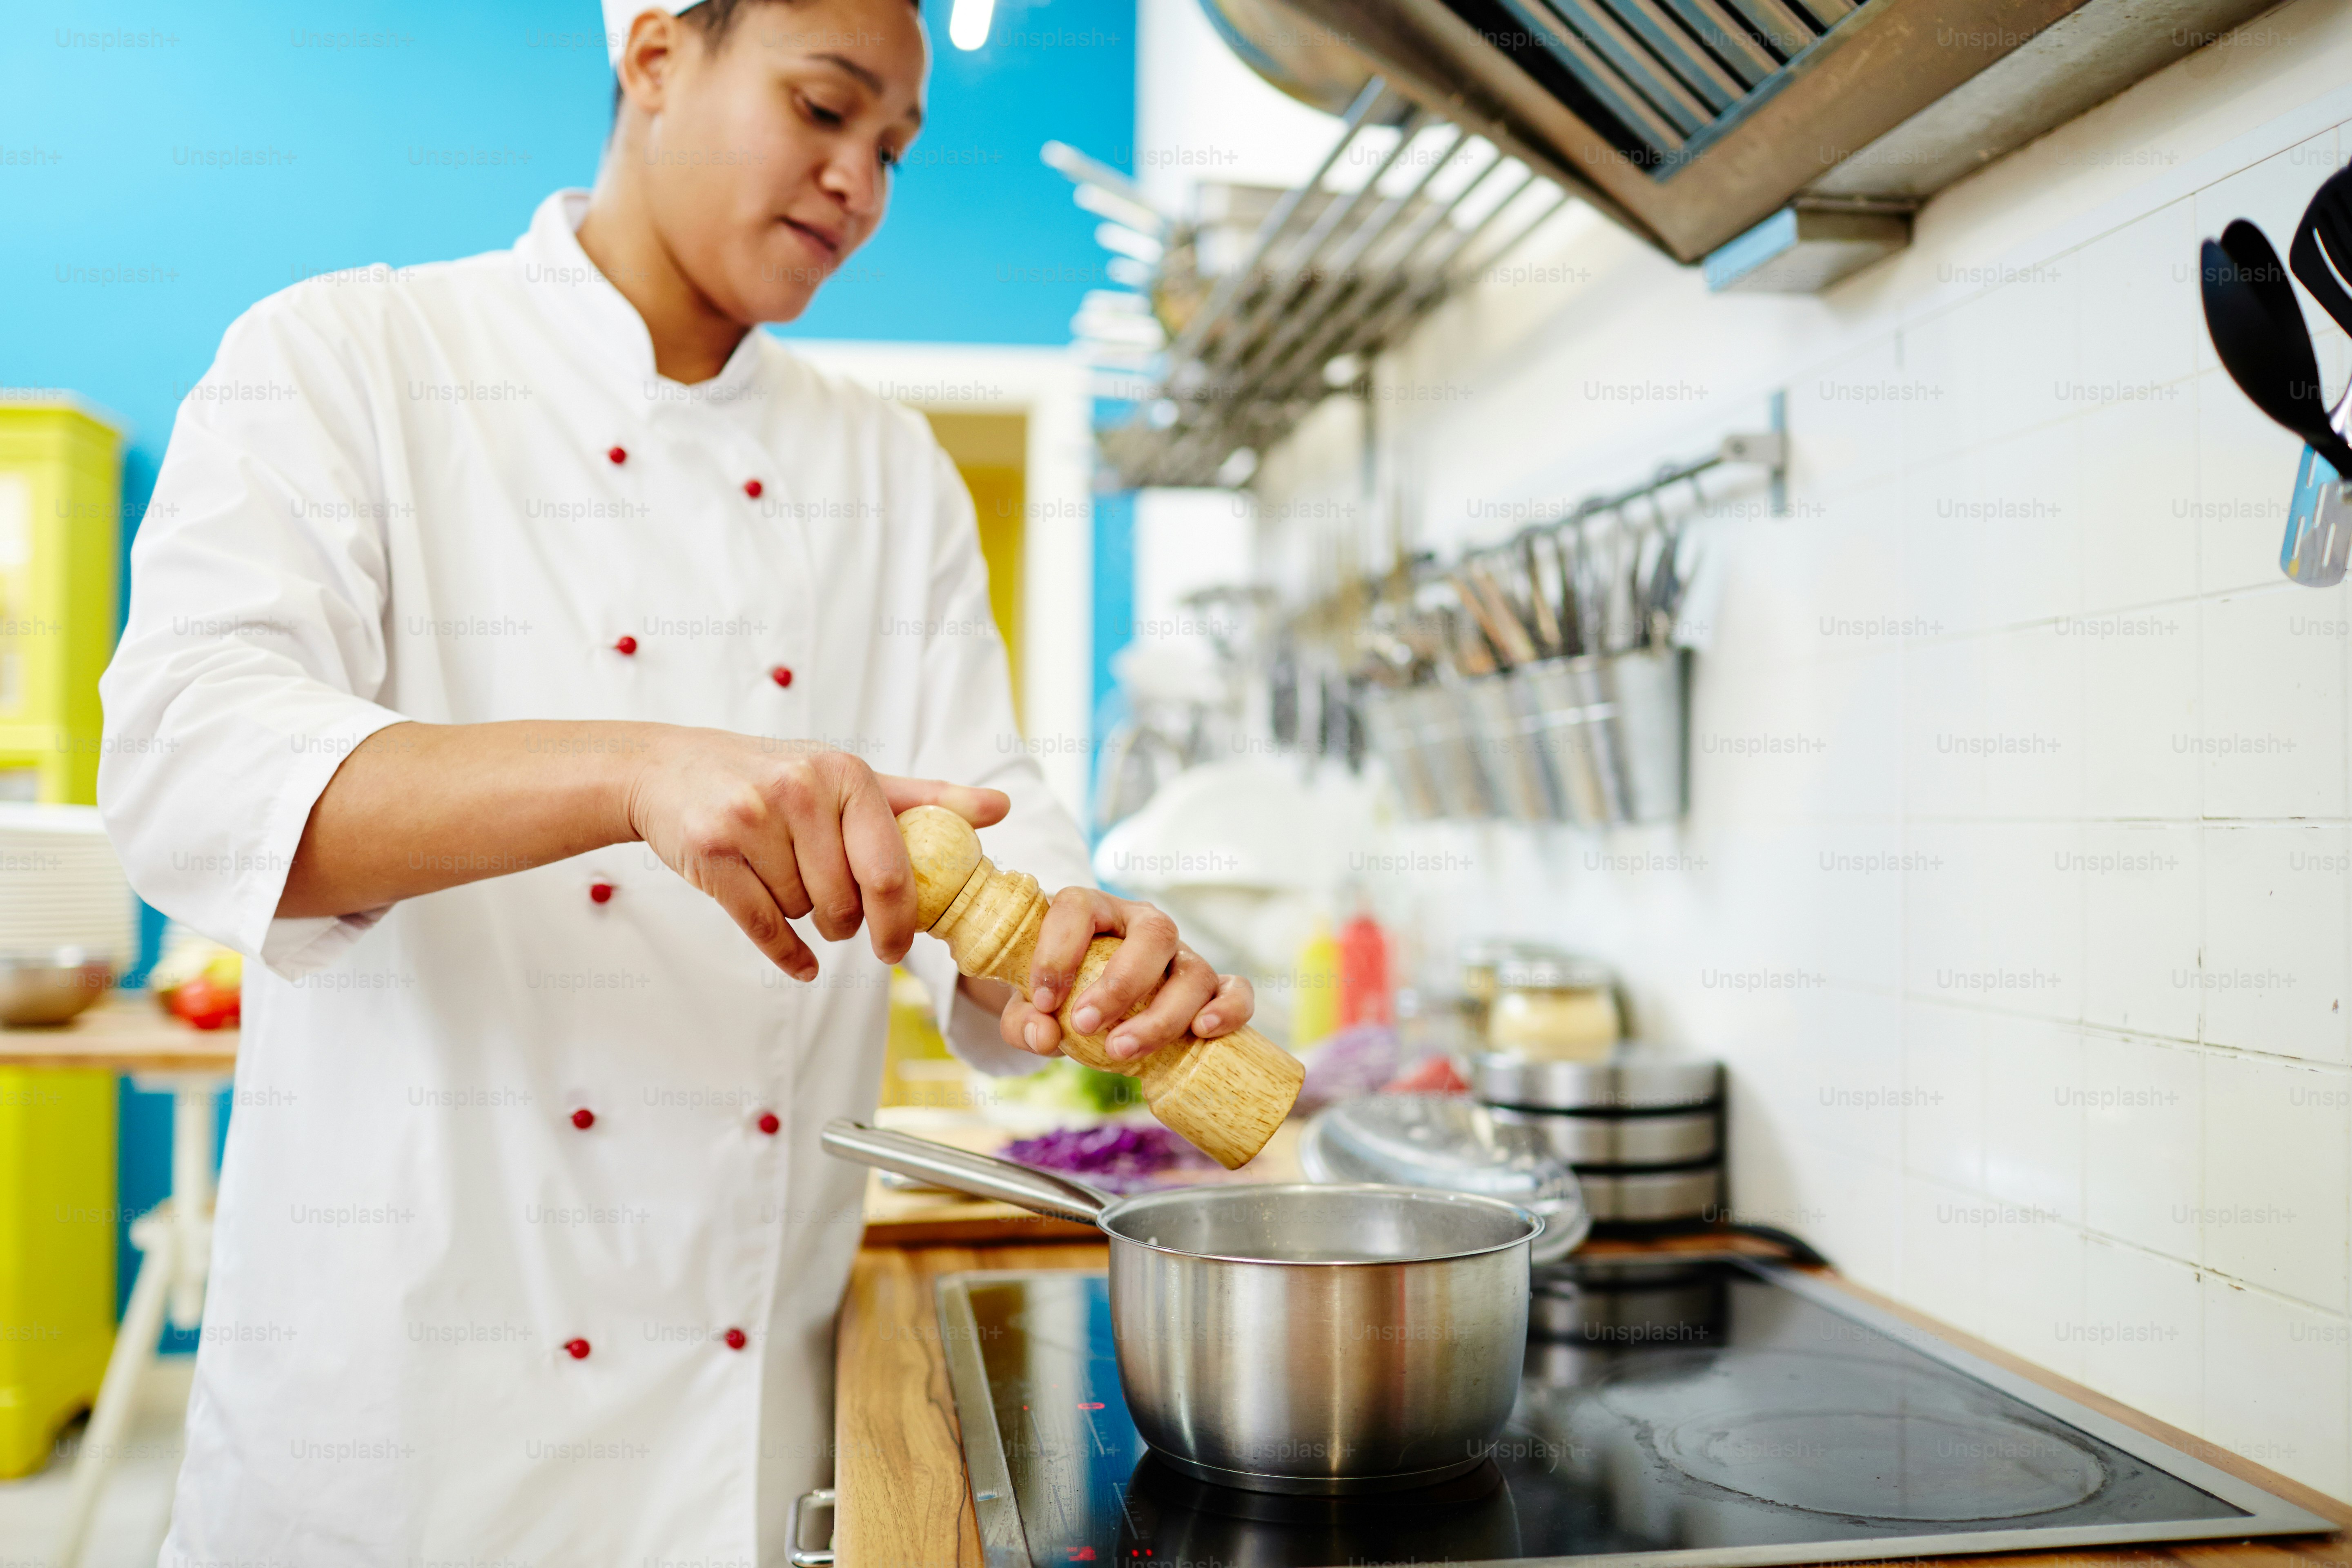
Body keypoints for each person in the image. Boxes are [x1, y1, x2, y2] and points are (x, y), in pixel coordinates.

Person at [95, 0, 1254, 1558]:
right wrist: (637, 770)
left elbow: (990, 824)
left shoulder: (887, 472)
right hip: (399, 1417)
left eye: (895, 148)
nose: (861, 184)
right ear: (653, 56)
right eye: (824, 109)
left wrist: (1077, 954)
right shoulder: (349, 356)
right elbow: (189, 766)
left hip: (731, 1432)